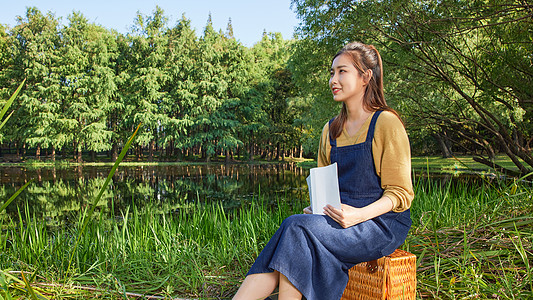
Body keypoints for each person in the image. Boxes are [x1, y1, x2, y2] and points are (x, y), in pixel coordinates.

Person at [232, 41, 414, 300]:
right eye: (332, 72)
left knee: (295, 227)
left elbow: (400, 194)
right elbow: (324, 187)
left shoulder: (385, 122)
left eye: (342, 71)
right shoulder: (331, 130)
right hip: (339, 219)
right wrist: (317, 209)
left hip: (380, 223)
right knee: (298, 230)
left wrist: (358, 215)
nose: (333, 79)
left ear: (365, 77)